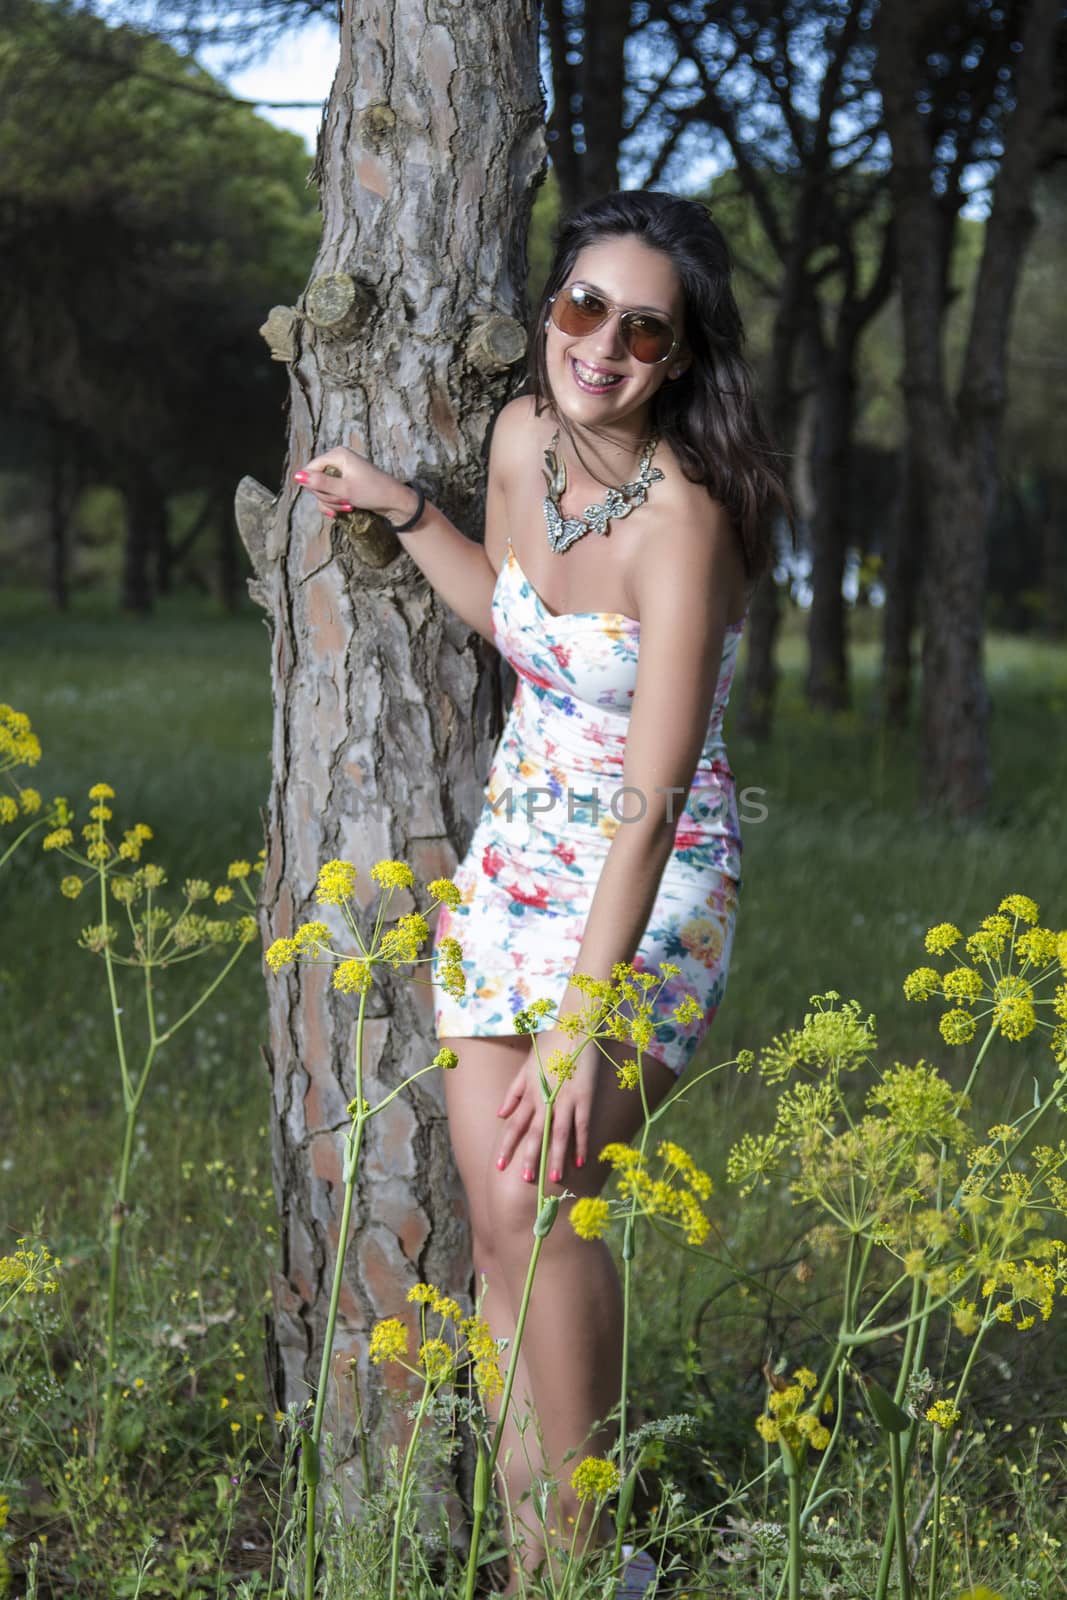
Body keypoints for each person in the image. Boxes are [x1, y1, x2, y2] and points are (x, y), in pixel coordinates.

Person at [293, 190, 790, 1586]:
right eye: (584, 308)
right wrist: (405, 512)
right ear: (548, 311)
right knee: (500, 1214)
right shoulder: (521, 440)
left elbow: (655, 794)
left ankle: (589, 1563)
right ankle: (543, 1555)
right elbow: (515, 617)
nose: (605, 346)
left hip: (650, 880)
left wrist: (583, 1019)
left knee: (550, 1192)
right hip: (519, 855)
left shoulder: (686, 522)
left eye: (644, 329)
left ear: (679, 359)